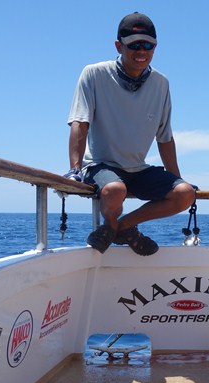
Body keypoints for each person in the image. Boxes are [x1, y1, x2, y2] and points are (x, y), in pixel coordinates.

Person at [66, 12, 196, 256]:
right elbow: (79, 122)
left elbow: (165, 137)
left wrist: (178, 179)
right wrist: (75, 170)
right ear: (118, 45)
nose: (141, 51)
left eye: (148, 45)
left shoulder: (161, 83)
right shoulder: (93, 74)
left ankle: (120, 227)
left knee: (185, 194)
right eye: (134, 45)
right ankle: (122, 231)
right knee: (115, 190)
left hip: (138, 168)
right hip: (101, 166)